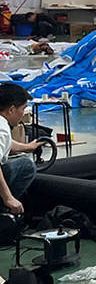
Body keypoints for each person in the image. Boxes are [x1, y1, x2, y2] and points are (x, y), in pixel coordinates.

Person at [0, 82, 39, 216]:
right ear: (11, 110)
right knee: (26, 165)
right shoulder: (2, 128)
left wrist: (28, 147)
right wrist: (8, 198)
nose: (23, 113)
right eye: (23, 108)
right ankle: (4, 210)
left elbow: (6, 143)